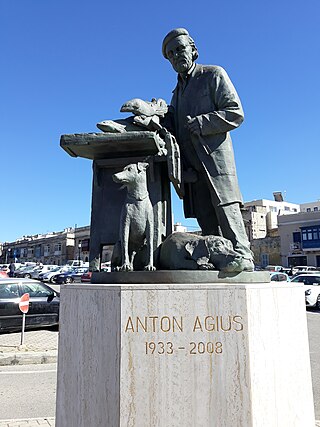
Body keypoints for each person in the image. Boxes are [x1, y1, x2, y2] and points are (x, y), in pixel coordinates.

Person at [162, 28, 253, 272]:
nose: (176, 56)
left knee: (226, 208)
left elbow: (235, 112)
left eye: (180, 49)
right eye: (171, 54)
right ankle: (220, 258)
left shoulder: (213, 74)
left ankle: (244, 256)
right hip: (192, 168)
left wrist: (202, 123)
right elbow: (174, 127)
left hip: (215, 163)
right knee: (205, 216)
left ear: (193, 48)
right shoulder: (176, 93)